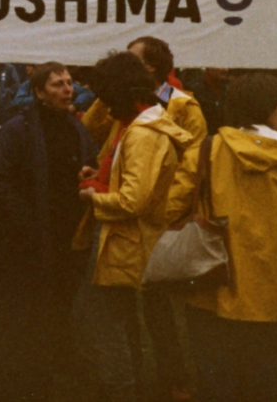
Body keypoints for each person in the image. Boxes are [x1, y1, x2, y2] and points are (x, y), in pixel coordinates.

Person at [167, 73, 277, 402]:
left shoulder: (206, 149)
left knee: (217, 377)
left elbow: (173, 206)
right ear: (265, 108)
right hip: (272, 281)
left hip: (212, 280)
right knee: (266, 378)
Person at [83, 35, 207, 401]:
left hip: (155, 218)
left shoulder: (181, 104)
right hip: (128, 213)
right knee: (122, 306)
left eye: (131, 58)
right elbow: (95, 130)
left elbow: (191, 166)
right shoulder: (125, 102)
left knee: (157, 307)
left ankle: (173, 377)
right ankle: (133, 375)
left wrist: (166, 210)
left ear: (149, 67)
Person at [0, 62, 99, 401]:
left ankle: (44, 372)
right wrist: (26, 225)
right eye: (57, 84)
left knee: (54, 309)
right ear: (38, 92)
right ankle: (8, 382)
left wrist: (89, 176)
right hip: (26, 241)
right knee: (20, 313)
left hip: (65, 240)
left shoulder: (77, 128)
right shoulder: (18, 129)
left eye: (69, 82)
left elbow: (89, 166)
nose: (68, 89)